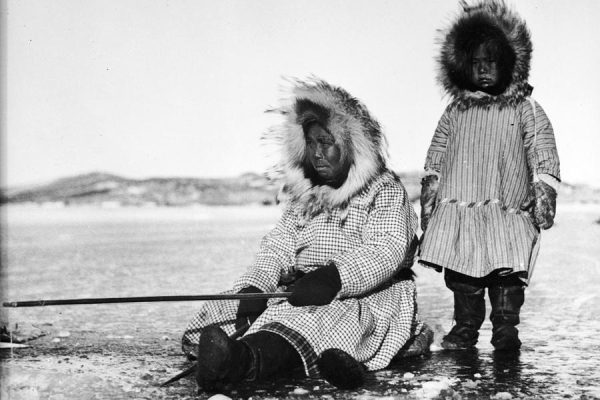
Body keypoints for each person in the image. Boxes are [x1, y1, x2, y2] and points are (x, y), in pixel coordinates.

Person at [182, 78, 433, 391]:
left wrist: (335, 277)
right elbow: (278, 246)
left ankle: (243, 363)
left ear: (354, 145)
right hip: (303, 288)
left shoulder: (383, 190)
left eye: (326, 142)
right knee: (228, 308)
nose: (317, 153)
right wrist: (256, 286)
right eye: (311, 143)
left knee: (317, 318)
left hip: (364, 293)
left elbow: (386, 249)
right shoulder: (307, 195)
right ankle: (255, 355)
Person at [419, 0, 560, 352]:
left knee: (506, 274)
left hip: (506, 205)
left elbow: (541, 149)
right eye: (476, 63)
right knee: (463, 275)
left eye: (491, 62)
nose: (483, 70)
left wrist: (544, 188)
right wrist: (431, 190)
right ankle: (465, 328)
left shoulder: (524, 108)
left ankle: (505, 328)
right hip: (461, 207)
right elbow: (437, 155)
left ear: (509, 63)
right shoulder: (456, 111)